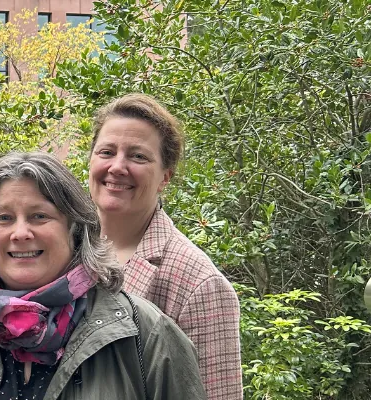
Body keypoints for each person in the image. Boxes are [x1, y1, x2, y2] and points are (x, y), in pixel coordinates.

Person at [0, 152, 205, 399]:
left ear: (75, 229)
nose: (20, 233)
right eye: (4, 218)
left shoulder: (146, 334)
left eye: (39, 216)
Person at [87, 93, 242, 399]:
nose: (117, 166)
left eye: (138, 156)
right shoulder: (62, 249)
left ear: (165, 177)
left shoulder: (200, 285)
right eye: (107, 152)